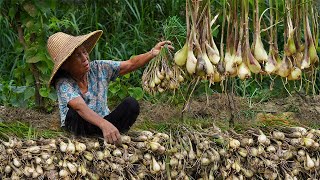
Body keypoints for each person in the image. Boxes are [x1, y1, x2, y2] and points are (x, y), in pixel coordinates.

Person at [47, 30, 173, 145]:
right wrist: (104, 125)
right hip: (81, 129)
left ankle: (107, 136)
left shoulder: (98, 68)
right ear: (65, 65)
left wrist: (152, 53)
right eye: (77, 56)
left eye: (84, 52)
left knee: (131, 104)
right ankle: (100, 136)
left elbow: (130, 64)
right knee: (73, 113)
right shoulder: (63, 83)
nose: (85, 58)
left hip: (105, 124)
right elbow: (80, 107)